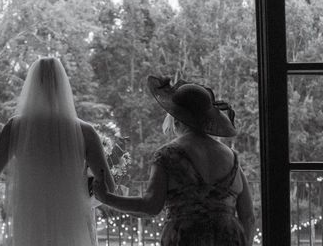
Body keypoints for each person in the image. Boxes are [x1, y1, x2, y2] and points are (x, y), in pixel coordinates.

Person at [93, 75, 256, 246]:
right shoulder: (232, 158)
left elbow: (150, 207)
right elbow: (249, 217)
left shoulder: (168, 156)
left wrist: (107, 198)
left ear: (176, 118)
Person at [0, 57, 115, 246]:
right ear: (63, 86)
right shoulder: (85, 132)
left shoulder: (16, 128)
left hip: (31, 220)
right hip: (72, 222)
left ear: (32, 87)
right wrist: (81, 201)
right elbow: (109, 186)